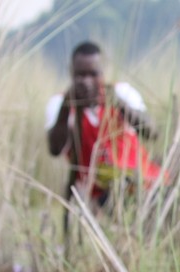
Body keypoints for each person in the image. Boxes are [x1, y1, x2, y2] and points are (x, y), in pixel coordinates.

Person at [46, 41, 160, 209]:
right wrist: (66, 108)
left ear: (103, 71)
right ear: (71, 72)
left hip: (143, 181)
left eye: (93, 74)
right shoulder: (59, 103)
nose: (87, 81)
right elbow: (55, 149)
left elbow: (151, 132)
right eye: (80, 75)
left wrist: (118, 104)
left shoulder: (121, 92)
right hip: (97, 192)